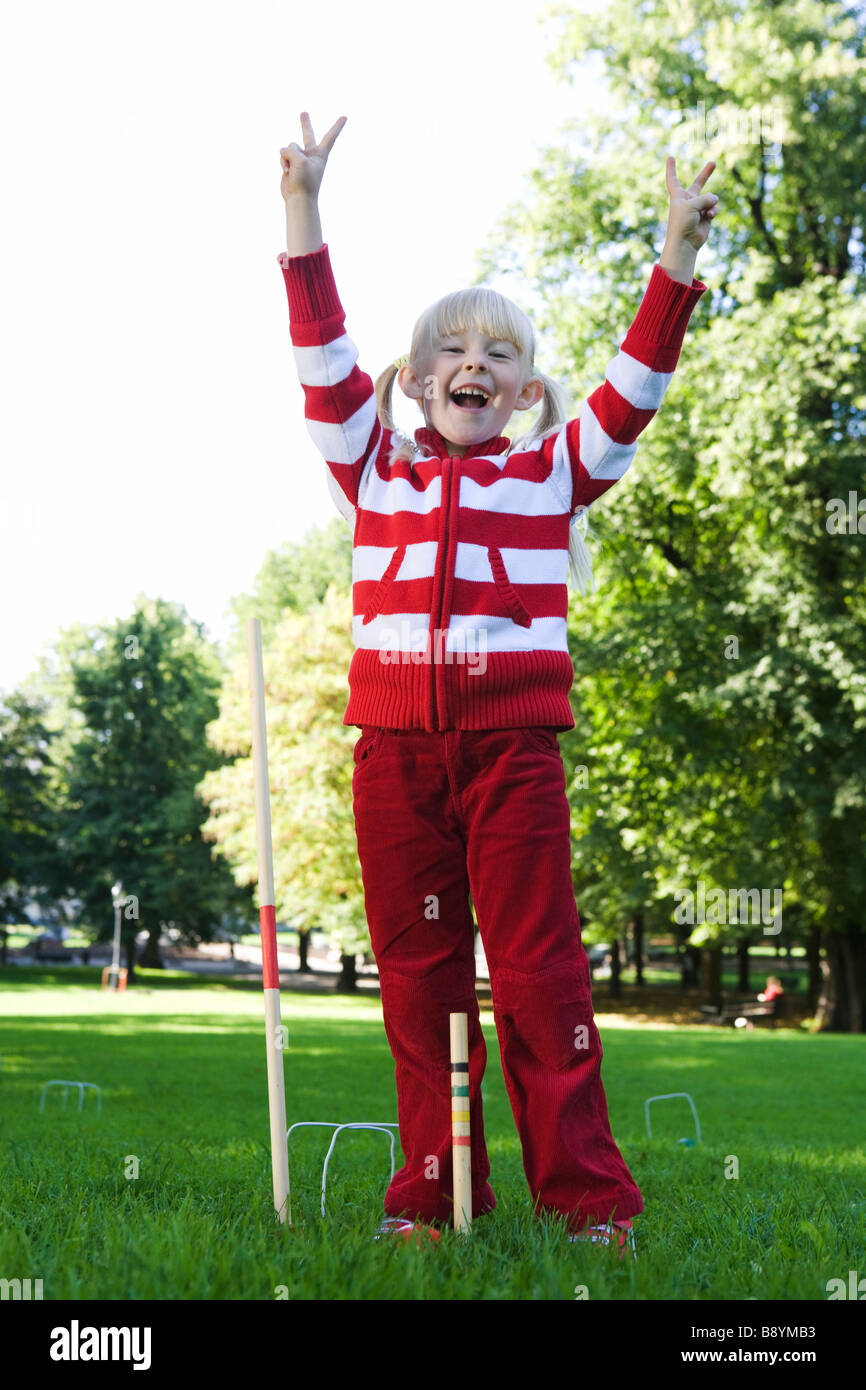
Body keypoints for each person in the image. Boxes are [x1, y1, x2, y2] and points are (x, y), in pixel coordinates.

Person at [276, 112, 717, 1256]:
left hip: (511, 759)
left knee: (538, 976)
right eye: (451, 349)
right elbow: (319, 357)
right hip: (394, 759)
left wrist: (673, 261)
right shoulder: (371, 467)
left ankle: (587, 1205)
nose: (474, 362)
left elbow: (634, 389)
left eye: (500, 353)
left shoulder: (552, 472)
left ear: (524, 392)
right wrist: (302, 210)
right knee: (418, 980)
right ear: (417, 380)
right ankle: (430, 1198)